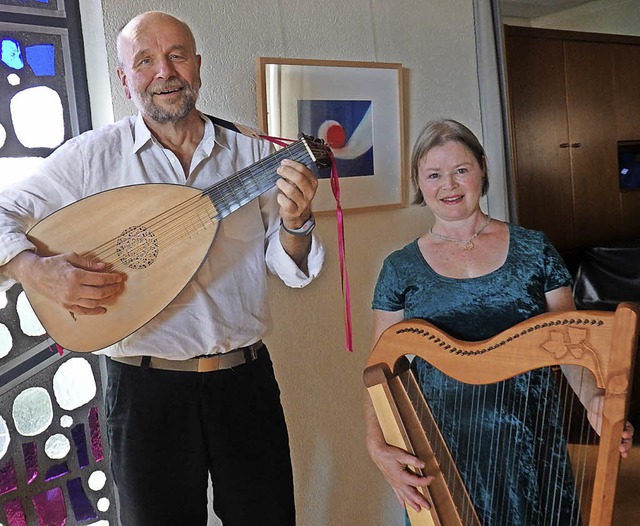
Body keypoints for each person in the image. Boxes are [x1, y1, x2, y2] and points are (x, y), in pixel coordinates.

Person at [0, 11, 324, 526]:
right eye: (145, 61)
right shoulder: (91, 159)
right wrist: (35, 270)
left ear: (198, 66)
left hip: (245, 383)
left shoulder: (254, 152)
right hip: (145, 392)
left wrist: (298, 222)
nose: (163, 72)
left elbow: (290, 269)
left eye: (176, 56)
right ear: (126, 78)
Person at [364, 119, 634, 525]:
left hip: (532, 439)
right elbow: (379, 367)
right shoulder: (400, 268)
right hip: (444, 450)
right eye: (434, 174)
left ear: (483, 168)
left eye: (461, 170)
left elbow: (570, 348)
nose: (449, 185)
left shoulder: (534, 250)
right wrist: (376, 444)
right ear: (419, 183)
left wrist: (596, 401)